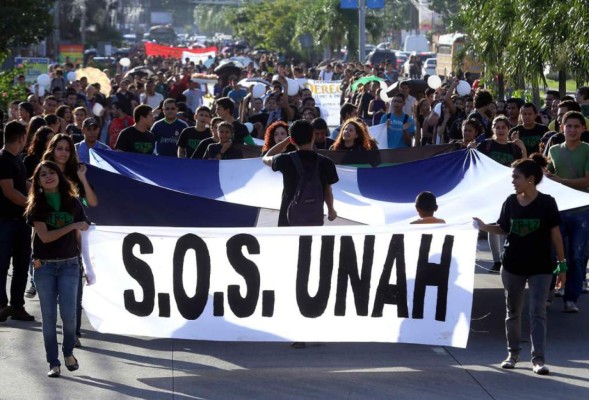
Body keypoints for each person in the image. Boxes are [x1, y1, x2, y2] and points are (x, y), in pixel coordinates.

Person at [473, 158, 566, 376]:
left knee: (538, 312)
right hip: (513, 265)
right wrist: (485, 227)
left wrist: (562, 265)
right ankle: (512, 354)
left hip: (541, 266)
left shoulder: (547, 203)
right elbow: (504, 228)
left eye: (516, 177)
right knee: (512, 311)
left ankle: (539, 360)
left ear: (531, 180)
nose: (513, 181)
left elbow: (556, 235)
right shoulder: (510, 202)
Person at [25, 160, 89, 377]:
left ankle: (68, 351)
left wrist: (88, 266)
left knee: (70, 316)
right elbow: (45, 236)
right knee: (49, 316)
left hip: (70, 264)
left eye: (52, 172)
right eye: (43, 175)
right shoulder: (36, 205)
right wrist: (71, 225)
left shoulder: (73, 202)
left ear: (59, 176)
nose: (48, 176)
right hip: (44, 267)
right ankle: (53, 362)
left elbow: (82, 235)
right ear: (38, 181)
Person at [545, 111, 589, 313]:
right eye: (568, 126)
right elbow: (547, 177)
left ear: (583, 129)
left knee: (577, 257)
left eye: (576, 126)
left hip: (582, 211)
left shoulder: (588, 150)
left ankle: (571, 299)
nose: (572, 130)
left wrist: (560, 181)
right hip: (558, 211)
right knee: (554, 255)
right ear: (561, 127)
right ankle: (548, 294)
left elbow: (587, 181)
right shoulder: (553, 150)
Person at [262, 119, 338, 227]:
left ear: (292, 140)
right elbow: (327, 191)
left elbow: (265, 157)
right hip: (314, 217)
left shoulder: (284, 159)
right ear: (313, 136)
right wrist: (331, 210)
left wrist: (288, 139)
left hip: (288, 218)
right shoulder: (327, 163)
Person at [0, 122, 35, 322]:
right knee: (2, 265)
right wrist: (33, 205)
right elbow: (10, 192)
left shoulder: (17, 160)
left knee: (21, 265)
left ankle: (17, 306)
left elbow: (23, 184)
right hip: (5, 221)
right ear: (21, 137)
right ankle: (1, 305)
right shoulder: (3, 159)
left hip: (21, 221)